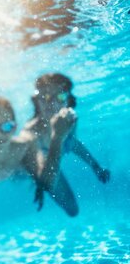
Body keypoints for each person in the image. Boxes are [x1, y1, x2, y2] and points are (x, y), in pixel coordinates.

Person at [0, 93, 77, 261]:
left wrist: (57, 137)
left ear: (14, 127)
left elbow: (48, 183)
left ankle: (39, 172)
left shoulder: (24, 146)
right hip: (8, 172)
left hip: (22, 170)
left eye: (5, 127)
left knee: (72, 209)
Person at [24, 72, 110, 210]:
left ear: (68, 100)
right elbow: (36, 168)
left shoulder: (69, 120)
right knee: (72, 209)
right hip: (34, 168)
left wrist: (96, 167)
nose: (52, 103)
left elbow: (73, 144)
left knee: (73, 210)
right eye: (45, 96)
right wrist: (39, 185)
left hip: (51, 162)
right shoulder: (31, 132)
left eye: (60, 96)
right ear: (37, 100)